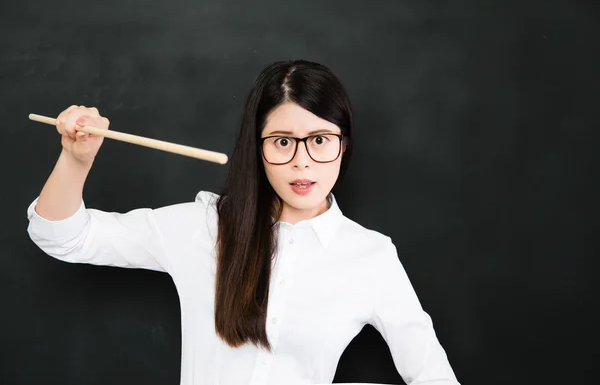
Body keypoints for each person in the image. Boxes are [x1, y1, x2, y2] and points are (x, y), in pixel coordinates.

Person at [26, 60, 460, 385]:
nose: (302, 162)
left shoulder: (370, 255)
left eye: (321, 140)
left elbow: (432, 374)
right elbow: (62, 236)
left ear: (344, 146)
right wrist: (75, 159)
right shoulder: (205, 226)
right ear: (257, 147)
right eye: (283, 142)